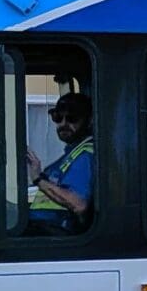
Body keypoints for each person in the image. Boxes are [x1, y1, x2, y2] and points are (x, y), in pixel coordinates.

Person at [25, 91, 94, 232]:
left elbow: (78, 204)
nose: (63, 124)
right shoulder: (72, 153)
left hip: (55, 236)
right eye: (57, 117)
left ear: (89, 120)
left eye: (72, 118)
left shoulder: (86, 155)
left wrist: (38, 179)